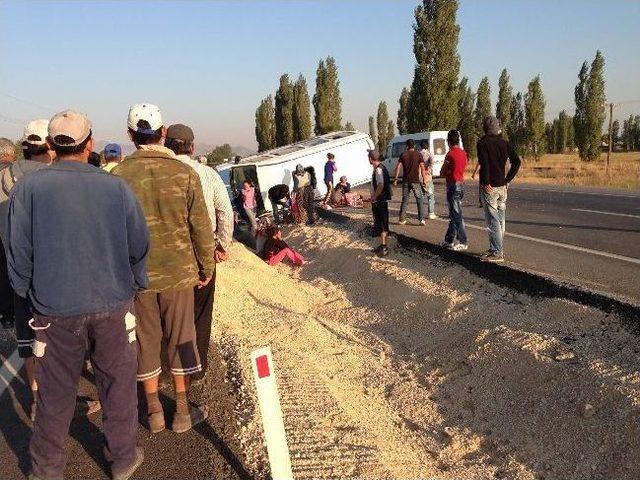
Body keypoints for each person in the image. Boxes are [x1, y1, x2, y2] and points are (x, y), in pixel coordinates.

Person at [6, 110, 149, 480]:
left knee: (55, 392)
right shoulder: (115, 187)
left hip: (54, 308)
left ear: (52, 146)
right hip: (112, 304)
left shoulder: (28, 190)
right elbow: (139, 244)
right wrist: (134, 284)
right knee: (117, 384)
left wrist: (27, 294)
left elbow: (17, 251)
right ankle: (121, 459)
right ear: (90, 144)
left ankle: (47, 469)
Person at [113, 103, 216, 434]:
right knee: (180, 336)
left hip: (137, 275)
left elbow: (113, 231)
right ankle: (182, 411)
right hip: (179, 273)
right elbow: (200, 225)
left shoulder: (119, 176)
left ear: (130, 135)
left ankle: (155, 410)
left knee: (146, 338)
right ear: (163, 132)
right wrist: (206, 266)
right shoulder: (185, 173)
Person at [165, 123, 234, 380]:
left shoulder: (162, 173)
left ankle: (167, 367)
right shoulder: (207, 174)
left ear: (166, 144)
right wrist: (222, 246)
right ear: (192, 147)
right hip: (203, 252)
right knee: (201, 314)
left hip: (171, 254)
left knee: (171, 313)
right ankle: (195, 368)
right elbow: (225, 212)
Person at [0, 121, 54, 418]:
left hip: (16, 274)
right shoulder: (54, 179)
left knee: (28, 340)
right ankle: (58, 402)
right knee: (55, 343)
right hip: (51, 277)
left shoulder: (4, 179)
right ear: (51, 146)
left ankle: (36, 400)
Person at [477, 116, 521, 262]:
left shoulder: (482, 143)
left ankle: (497, 252)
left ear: (485, 128)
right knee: (500, 218)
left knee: (492, 220)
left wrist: (485, 182)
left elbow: (485, 164)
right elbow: (517, 162)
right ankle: (495, 247)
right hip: (502, 186)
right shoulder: (504, 143)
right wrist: (508, 180)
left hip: (491, 187)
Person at [440, 130, 469, 251]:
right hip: (461, 184)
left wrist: (447, 172)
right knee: (454, 213)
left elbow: (442, 172)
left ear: (449, 141)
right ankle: (449, 240)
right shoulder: (463, 153)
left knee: (456, 215)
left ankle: (463, 240)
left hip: (453, 185)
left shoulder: (450, 154)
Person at [393, 139, 427, 225]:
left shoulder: (403, 154)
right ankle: (422, 220)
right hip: (415, 181)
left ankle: (401, 219)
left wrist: (395, 179)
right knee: (419, 199)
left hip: (405, 181)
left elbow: (398, 167)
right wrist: (424, 180)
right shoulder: (418, 155)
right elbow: (423, 168)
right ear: (414, 145)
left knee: (405, 200)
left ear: (407, 146)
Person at [369, 150, 392, 257]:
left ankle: (384, 248)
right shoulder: (382, 167)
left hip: (380, 200)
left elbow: (381, 185)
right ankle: (382, 246)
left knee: (382, 224)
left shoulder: (378, 170)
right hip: (381, 200)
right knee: (382, 223)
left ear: (370, 159)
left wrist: (374, 196)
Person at [419, 140, 437, 219]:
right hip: (427, 176)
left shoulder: (418, 154)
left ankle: (421, 214)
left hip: (419, 176)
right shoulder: (429, 154)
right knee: (430, 195)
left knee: (421, 196)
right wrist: (428, 169)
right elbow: (432, 162)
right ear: (427, 146)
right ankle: (431, 213)